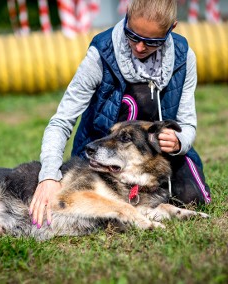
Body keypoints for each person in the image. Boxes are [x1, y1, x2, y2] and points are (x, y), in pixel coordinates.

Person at [29, 0, 211, 228]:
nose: (140, 47)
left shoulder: (184, 57)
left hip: (156, 157)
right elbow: (62, 121)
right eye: (132, 36)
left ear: (172, 28)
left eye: (152, 41)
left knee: (192, 198)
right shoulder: (101, 53)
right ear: (126, 17)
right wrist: (49, 175)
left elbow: (187, 123)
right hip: (99, 155)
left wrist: (179, 141)